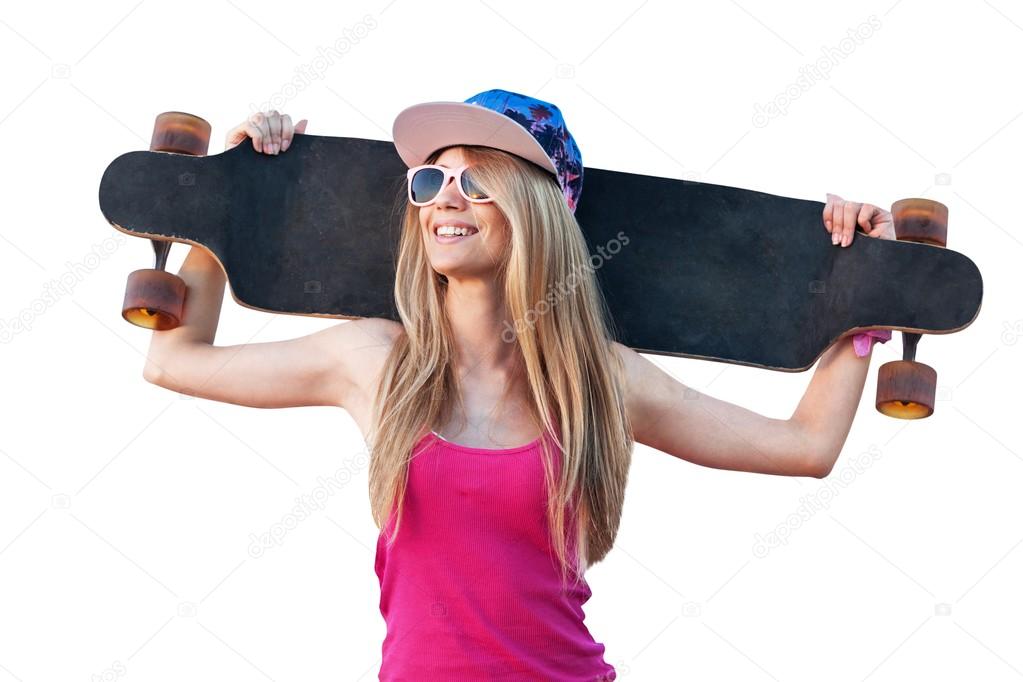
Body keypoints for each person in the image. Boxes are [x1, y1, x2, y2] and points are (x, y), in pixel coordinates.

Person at [142, 88, 896, 680]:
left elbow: (804, 446)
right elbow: (174, 361)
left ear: (539, 208)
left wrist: (867, 295)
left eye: (477, 181)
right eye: (431, 178)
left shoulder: (597, 379)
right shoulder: (373, 364)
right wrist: (225, 209)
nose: (445, 196)